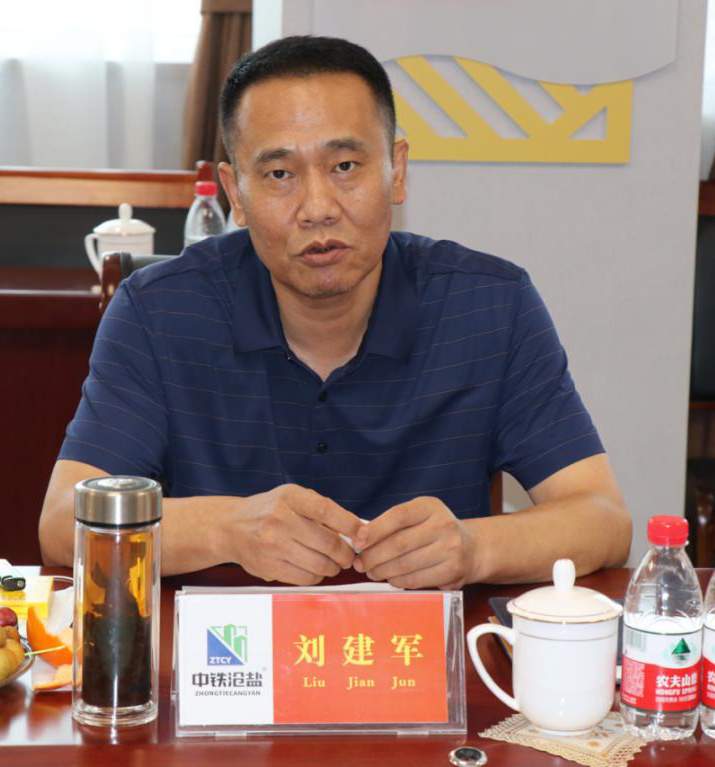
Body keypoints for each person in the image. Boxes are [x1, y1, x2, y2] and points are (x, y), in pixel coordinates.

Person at [38, 35, 630, 588]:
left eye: (345, 167)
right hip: (222, 653)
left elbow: (602, 518)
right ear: (236, 194)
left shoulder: (490, 307)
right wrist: (227, 529)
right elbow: (64, 524)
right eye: (279, 174)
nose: (318, 207)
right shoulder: (158, 313)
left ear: (397, 171)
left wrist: (474, 547)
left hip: (420, 652)